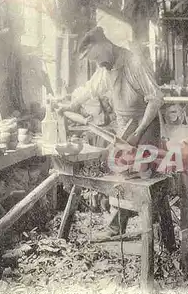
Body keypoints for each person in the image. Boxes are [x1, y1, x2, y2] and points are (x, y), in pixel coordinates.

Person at [57, 26, 165, 238]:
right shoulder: (105, 69)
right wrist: (70, 105)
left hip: (146, 124)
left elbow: (156, 99)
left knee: (140, 176)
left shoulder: (134, 62)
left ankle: (155, 225)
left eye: (96, 56)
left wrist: (139, 132)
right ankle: (116, 228)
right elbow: (89, 89)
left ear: (104, 44)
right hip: (124, 126)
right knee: (119, 170)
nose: (97, 62)